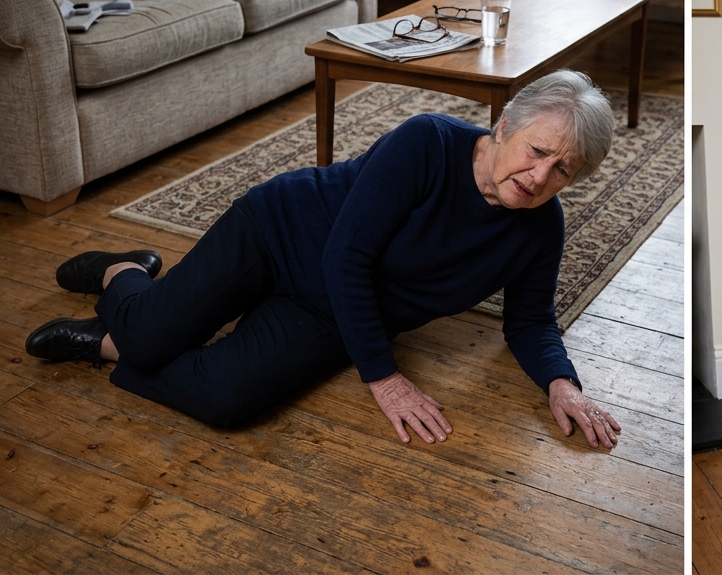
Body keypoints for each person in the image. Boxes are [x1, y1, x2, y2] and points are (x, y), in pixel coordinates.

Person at [25, 70, 623, 450]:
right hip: (281, 234)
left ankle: (107, 342)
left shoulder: (541, 229)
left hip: (335, 310)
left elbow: (530, 321)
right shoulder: (427, 143)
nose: (540, 175)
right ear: (503, 126)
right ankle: (122, 272)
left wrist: (561, 384)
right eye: (537, 150)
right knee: (153, 334)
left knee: (226, 401)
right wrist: (384, 378)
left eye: (562, 169)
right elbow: (348, 254)